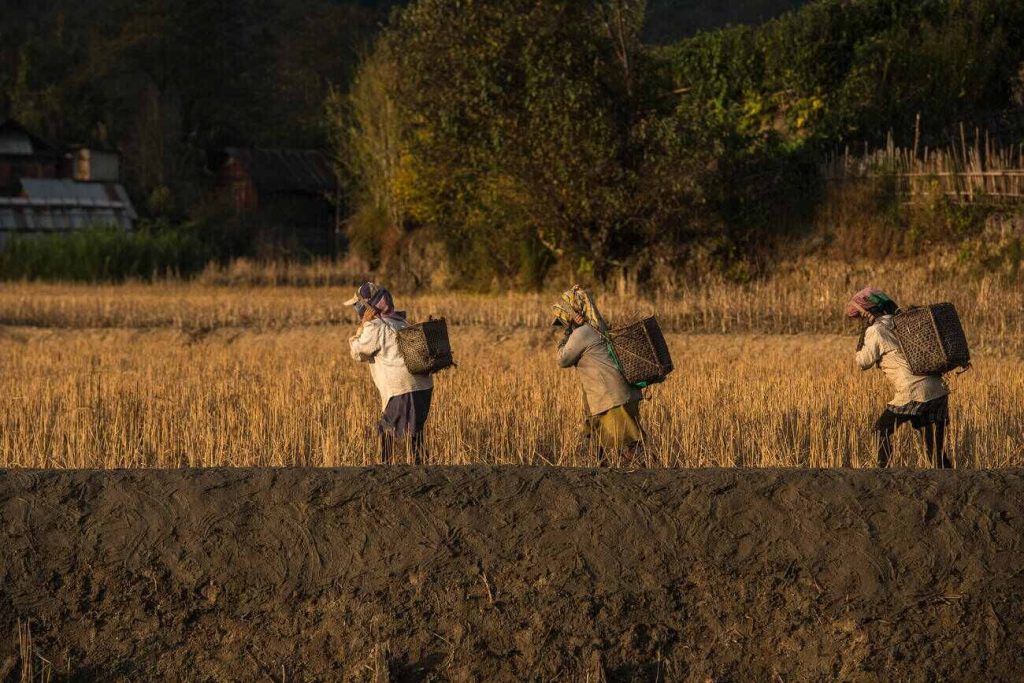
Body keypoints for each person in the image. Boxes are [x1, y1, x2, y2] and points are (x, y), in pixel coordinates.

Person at [846, 286, 952, 469]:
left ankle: (883, 471)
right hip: (937, 390)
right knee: (936, 453)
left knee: (882, 429)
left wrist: (863, 335)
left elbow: (863, 362)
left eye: (862, 316)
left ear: (869, 313)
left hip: (913, 392)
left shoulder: (876, 331)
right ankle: (955, 486)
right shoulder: (903, 322)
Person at [553, 285, 645, 466]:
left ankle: (649, 480)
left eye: (564, 319)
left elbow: (562, 360)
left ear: (575, 312)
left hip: (611, 398)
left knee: (629, 447)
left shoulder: (583, 333)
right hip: (614, 396)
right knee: (593, 442)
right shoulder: (598, 327)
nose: (563, 324)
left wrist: (568, 332)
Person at [346, 282, 433, 464]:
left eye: (358, 305)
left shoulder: (376, 326)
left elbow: (358, 351)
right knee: (414, 432)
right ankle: (422, 470)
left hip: (402, 388)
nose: (357, 309)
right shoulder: (400, 321)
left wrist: (361, 326)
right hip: (423, 386)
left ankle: (384, 472)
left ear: (368, 306)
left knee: (386, 431)